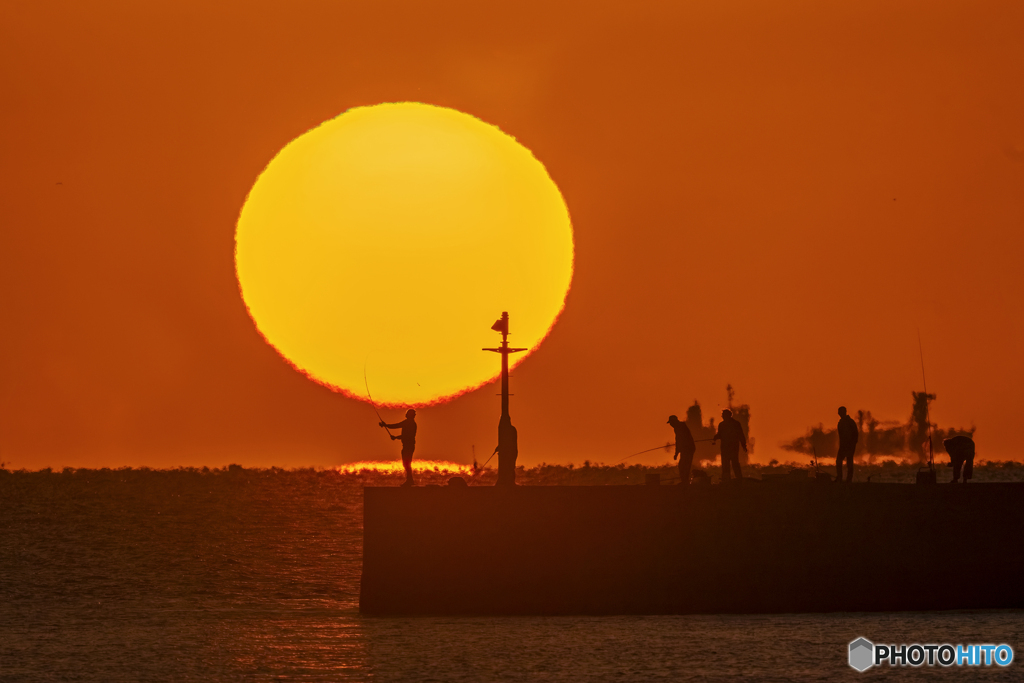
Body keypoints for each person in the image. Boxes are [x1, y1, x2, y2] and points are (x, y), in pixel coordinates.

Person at [381, 409, 417, 487]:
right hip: (408, 446)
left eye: (407, 414)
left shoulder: (408, 423)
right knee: (406, 463)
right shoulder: (411, 423)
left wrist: (386, 425)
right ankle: (409, 479)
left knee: (406, 463)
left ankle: (410, 480)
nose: (406, 415)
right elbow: (406, 435)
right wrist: (396, 437)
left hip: (408, 446)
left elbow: (397, 426)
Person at [712, 409, 747, 484]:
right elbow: (720, 434)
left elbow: (740, 435)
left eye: (724, 415)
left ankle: (736, 479)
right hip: (727, 448)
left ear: (728, 415)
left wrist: (743, 445)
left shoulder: (734, 424)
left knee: (733, 463)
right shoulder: (724, 424)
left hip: (731, 447)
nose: (723, 417)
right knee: (726, 464)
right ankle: (728, 479)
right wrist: (716, 437)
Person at [668, 414, 696, 485]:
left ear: (674, 422)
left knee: (684, 465)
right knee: (684, 465)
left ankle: (685, 481)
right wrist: (677, 453)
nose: (670, 424)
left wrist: (676, 453)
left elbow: (679, 441)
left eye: (671, 423)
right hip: (686, 449)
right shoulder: (679, 427)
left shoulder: (680, 427)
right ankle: (685, 481)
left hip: (688, 449)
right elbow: (679, 442)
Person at [492, 414, 519, 487]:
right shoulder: (509, 430)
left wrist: (500, 447)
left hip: (511, 452)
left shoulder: (511, 430)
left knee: (510, 467)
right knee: (509, 467)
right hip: (510, 452)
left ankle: (511, 482)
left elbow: (508, 442)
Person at [836, 406, 859, 484]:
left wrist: (852, 445)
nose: (839, 413)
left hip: (848, 446)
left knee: (848, 463)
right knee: (840, 461)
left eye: (840, 412)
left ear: (844, 412)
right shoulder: (841, 423)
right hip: (843, 446)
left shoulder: (850, 422)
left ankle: (848, 479)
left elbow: (855, 434)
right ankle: (840, 478)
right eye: (839, 412)